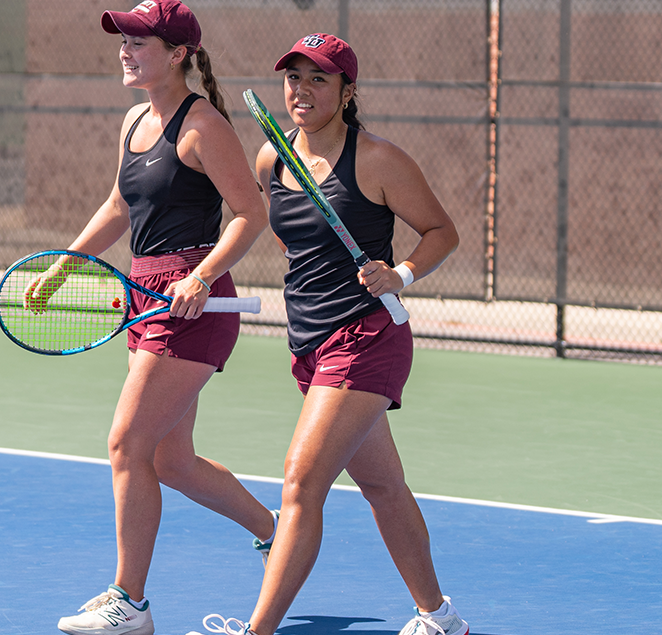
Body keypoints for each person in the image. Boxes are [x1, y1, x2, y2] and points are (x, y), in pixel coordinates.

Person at [197, 33, 468, 635]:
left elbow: (441, 232)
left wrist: (398, 273)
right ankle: (439, 617)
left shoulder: (377, 160)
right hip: (308, 344)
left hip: (367, 338)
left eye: (319, 79)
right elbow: (295, 244)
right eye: (294, 78)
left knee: (300, 481)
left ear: (347, 93)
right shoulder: (271, 159)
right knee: (381, 485)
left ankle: (256, 630)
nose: (302, 90)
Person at [26, 3, 277, 634]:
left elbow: (250, 212)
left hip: (192, 303)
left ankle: (129, 602)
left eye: (141, 41)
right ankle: (276, 530)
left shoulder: (203, 126)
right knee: (170, 461)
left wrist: (202, 275)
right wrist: (65, 266)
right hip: (143, 291)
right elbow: (119, 204)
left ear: (178, 54)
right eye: (124, 39)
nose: (126, 49)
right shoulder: (135, 119)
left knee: (126, 444)